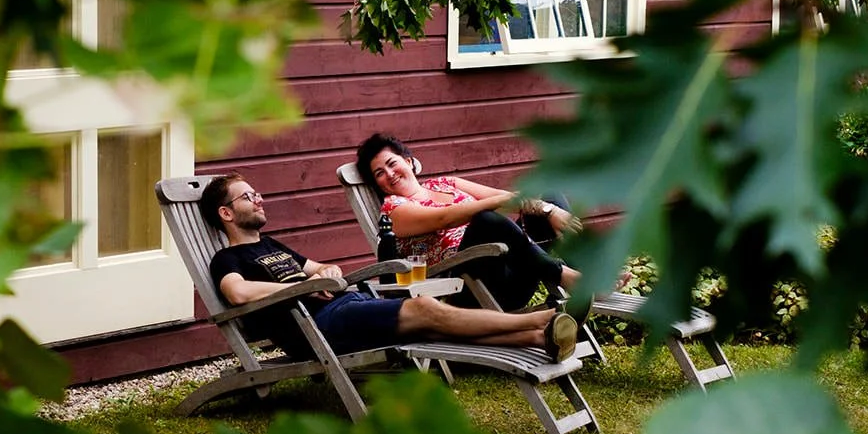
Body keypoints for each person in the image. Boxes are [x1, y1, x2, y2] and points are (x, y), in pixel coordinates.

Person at [200, 173, 577, 362]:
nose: (259, 198)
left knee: (429, 326)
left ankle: (535, 339)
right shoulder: (228, 259)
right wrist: (299, 288)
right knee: (425, 310)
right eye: (248, 196)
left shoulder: (272, 247)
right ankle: (541, 320)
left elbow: (324, 266)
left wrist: (325, 274)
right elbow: (238, 292)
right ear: (226, 213)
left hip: (344, 304)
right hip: (320, 326)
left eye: (257, 193)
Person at [354, 132, 586, 313]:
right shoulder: (393, 210)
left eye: (392, 163)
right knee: (486, 220)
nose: (390, 173)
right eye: (379, 173)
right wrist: (504, 201)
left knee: (550, 195)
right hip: (469, 287)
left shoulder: (446, 183)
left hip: (516, 269)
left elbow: (507, 198)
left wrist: (548, 209)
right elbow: (446, 217)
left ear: (410, 162)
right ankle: (565, 276)